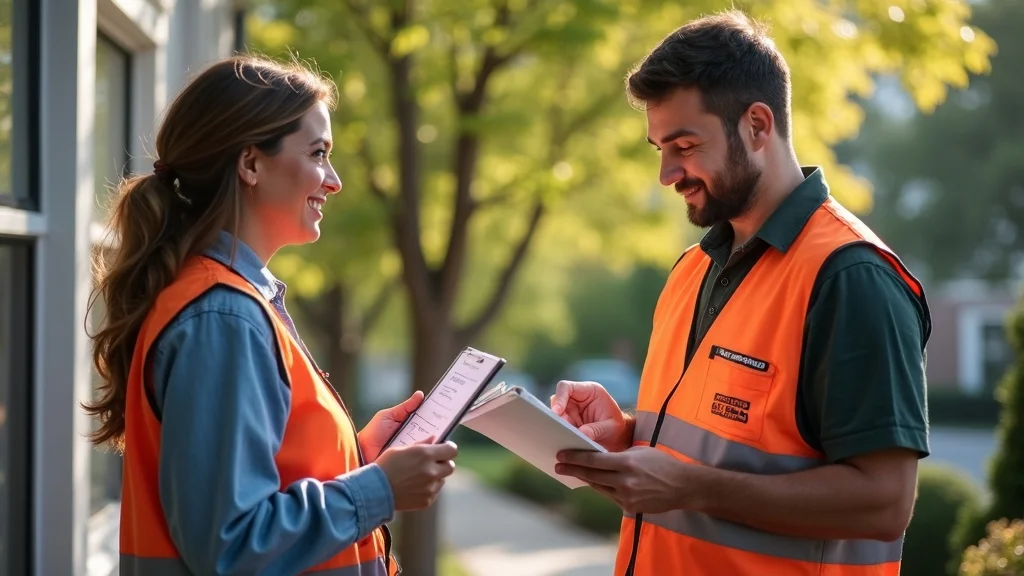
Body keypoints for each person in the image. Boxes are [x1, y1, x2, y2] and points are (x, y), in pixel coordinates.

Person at [550, 10, 931, 576]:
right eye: (659, 147)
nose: (667, 172)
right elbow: (728, 447)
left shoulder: (851, 278)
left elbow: (884, 502)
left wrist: (693, 487)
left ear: (757, 125)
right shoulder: (690, 271)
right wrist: (631, 437)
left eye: (683, 144)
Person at [83, 55, 457, 576]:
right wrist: (381, 489)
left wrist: (359, 456)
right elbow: (231, 546)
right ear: (251, 164)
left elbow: (262, 484)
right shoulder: (223, 319)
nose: (335, 181)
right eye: (319, 154)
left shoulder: (232, 303)